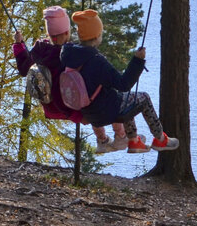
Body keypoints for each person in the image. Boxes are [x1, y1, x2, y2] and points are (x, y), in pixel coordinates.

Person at [60, 9, 179, 154]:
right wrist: (138, 61)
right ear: (97, 36)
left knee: (127, 100)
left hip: (89, 112)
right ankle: (161, 139)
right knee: (143, 98)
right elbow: (124, 84)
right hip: (107, 111)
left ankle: (134, 142)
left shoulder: (69, 56)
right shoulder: (96, 61)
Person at [12, 6, 127, 154]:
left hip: (51, 107)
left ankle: (104, 141)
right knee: (101, 98)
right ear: (67, 32)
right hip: (73, 108)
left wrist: (19, 45)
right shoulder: (70, 52)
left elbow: (23, 69)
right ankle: (119, 136)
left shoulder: (40, 48)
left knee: (91, 101)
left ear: (48, 32)